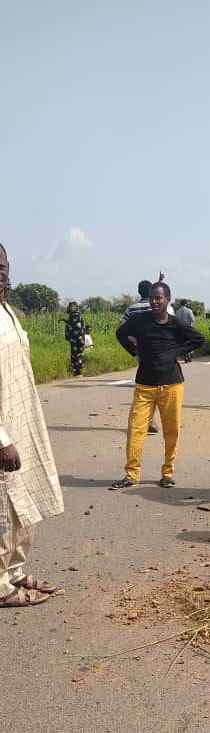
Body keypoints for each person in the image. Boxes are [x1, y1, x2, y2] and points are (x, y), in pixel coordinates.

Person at [0, 243, 64, 607]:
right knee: (4, 510)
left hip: (20, 422)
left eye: (3, 267)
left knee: (26, 509)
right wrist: (2, 439)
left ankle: (14, 571)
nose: (1, 274)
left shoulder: (8, 311)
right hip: (3, 434)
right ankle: (1, 586)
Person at [110, 281, 204, 490]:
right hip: (144, 385)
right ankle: (131, 475)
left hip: (171, 386)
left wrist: (178, 350)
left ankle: (167, 473)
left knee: (171, 431)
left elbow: (199, 339)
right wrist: (134, 350)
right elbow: (120, 334)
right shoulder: (139, 320)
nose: (154, 302)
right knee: (135, 429)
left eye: (158, 298)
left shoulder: (175, 323)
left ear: (167, 300)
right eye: (152, 297)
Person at [122, 275, 172, 433]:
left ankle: (147, 419)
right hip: (161, 353)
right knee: (158, 385)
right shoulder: (160, 306)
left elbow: (122, 329)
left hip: (142, 352)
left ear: (138, 291)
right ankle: (150, 419)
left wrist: (134, 345)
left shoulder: (132, 308)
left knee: (145, 384)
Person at [63, 302, 90, 377]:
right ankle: (77, 371)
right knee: (76, 355)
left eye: (74, 306)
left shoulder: (76, 315)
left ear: (76, 307)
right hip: (75, 339)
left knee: (77, 355)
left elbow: (74, 324)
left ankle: (78, 372)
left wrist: (64, 320)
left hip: (77, 339)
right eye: (71, 306)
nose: (72, 308)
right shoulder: (73, 315)